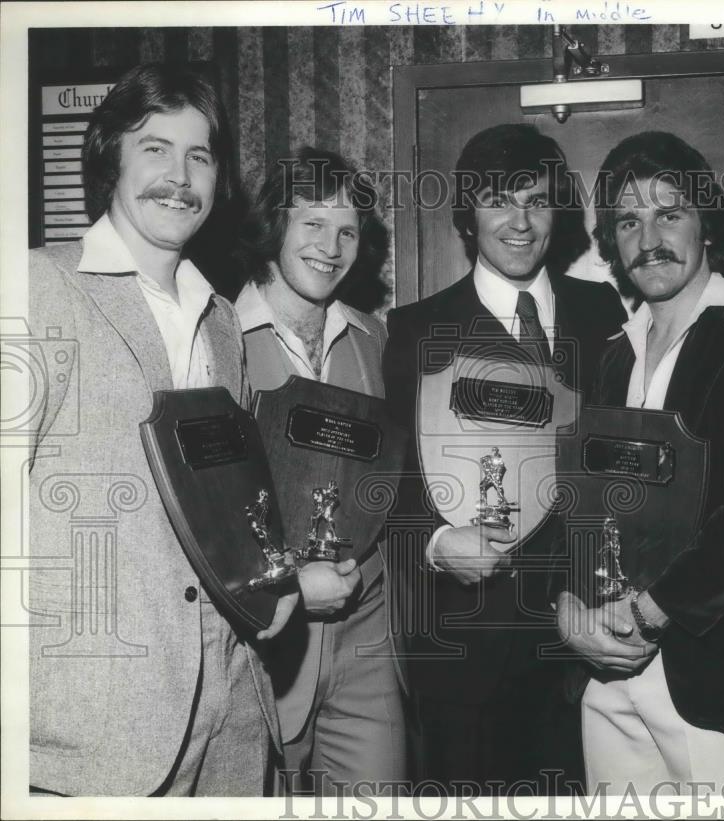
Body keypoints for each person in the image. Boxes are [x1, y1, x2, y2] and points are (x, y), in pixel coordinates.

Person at [27, 63, 298, 796]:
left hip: (235, 717)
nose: (180, 176)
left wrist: (274, 582)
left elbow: (234, 500)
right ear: (109, 156)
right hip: (94, 734)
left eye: (200, 155)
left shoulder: (224, 323)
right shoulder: (36, 288)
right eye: (155, 148)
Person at [555, 131, 724, 795]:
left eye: (670, 214)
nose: (650, 238)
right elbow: (588, 495)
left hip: (708, 672)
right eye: (628, 221)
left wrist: (657, 606)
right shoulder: (616, 352)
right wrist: (572, 603)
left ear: (706, 225)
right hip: (607, 670)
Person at [382, 123, 626, 793]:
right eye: (498, 200)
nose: (520, 221)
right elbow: (386, 485)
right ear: (467, 216)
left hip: (591, 648)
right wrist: (433, 541)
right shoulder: (414, 331)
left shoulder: (605, 312)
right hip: (469, 650)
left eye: (538, 200)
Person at [234, 148, 405, 792]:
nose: (330, 246)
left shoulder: (373, 340)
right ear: (275, 225)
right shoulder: (217, 336)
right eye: (312, 223)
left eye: (348, 230)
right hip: (266, 643)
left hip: (368, 641)